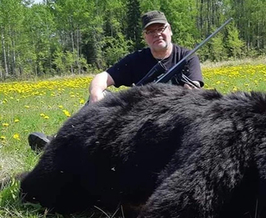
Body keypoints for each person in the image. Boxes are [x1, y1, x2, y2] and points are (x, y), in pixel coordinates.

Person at [28, 10, 204, 151]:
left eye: (161, 28)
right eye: (151, 31)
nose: (157, 34)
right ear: (145, 36)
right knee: (100, 99)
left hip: (173, 118)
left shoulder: (187, 57)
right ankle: (58, 143)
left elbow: (195, 90)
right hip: (139, 116)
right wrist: (96, 94)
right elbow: (103, 77)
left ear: (170, 30)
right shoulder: (137, 59)